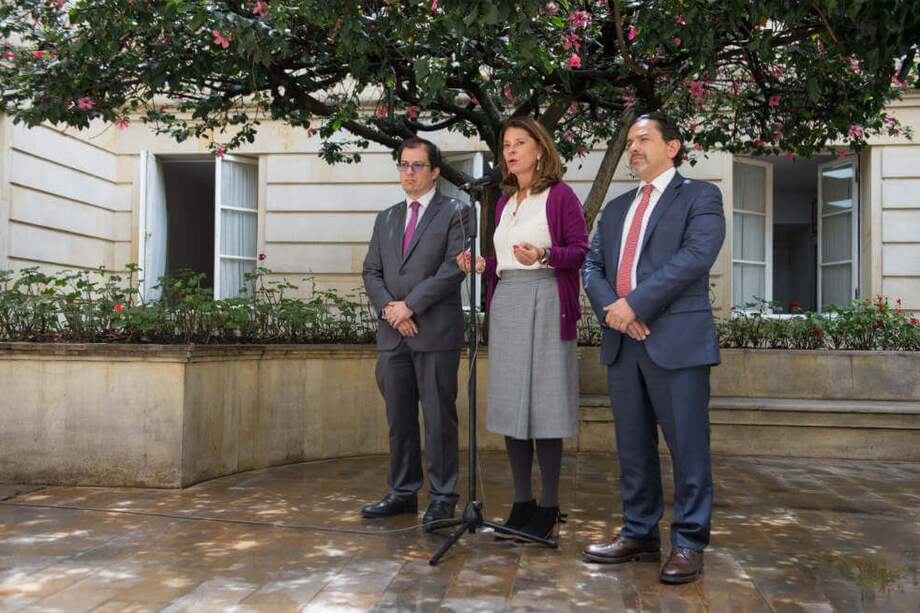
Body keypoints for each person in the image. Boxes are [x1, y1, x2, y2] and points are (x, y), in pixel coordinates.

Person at [581, 112, 725, 583]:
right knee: (633, 447)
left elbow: (695, 257)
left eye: (643, 139)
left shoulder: (701, 196)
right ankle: (639, 532)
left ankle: (688, 542)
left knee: (687, 447)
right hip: (624, 343)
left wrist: (635, 306)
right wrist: (615, 311)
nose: (634, 148)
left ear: (674, 146)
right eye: (629, 142)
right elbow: (592, 267)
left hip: (677, 343)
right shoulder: (618, 207)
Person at [458, 117, 588, 540]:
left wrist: (546, 254)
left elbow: (580, 250)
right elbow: (506, 260)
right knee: (514, 406)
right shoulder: (503, 202)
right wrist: (484, 266)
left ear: (540, 149)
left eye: (520, 143)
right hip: (509, 301)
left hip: (548, 299)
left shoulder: (560, 196)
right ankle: (521, 503)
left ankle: (548, 507)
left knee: (545, 406)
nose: (511, 151)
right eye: (506, 144)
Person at [361, 137, 469, 531]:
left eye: (417, 165)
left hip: (435, 332)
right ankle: (403, 492)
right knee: (399, 416)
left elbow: (452, 269)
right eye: (403, 165)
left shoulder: (456, 213)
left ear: (435, 171)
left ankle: (442, 497)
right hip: (394, 335)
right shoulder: (386, 217)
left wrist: (411, 306)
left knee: (439, 417)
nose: (409, 172)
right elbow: (371, 271)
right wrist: (392, 310)